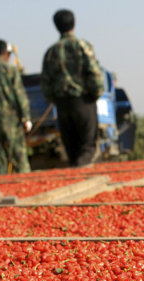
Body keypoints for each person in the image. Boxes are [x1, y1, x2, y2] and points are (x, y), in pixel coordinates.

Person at [41, 9, 104, 167]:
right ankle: (83, 173)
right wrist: (95, 94)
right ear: (73, 24)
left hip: (62, 104)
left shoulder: (51, 52)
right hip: (82, 101)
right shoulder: (82, 46)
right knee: (88, 145)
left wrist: (53, 99)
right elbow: (94, 72)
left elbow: (45, 81)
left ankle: (76, 172)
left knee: (72, 147)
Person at [0, 40, 32, 174]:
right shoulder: (10, 70)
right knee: (19, 156)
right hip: (11, 119)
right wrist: (26, 117)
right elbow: (19, 95)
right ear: (5, 53)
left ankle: (0, 187)